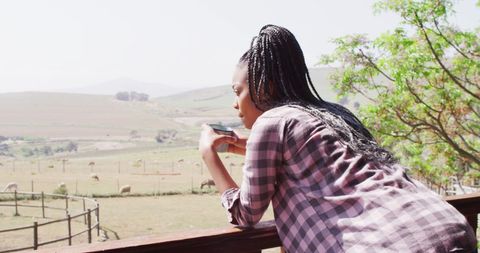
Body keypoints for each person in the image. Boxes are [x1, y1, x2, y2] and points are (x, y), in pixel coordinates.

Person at [198, 24, 476, 253]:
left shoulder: (271, 121)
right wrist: (250, 150)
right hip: (448, 226)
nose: (236, 104)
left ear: (265, 86)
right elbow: (332, 161)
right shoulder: (337, 113)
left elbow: (246, 214)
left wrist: (209, 154)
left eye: (238, 91)